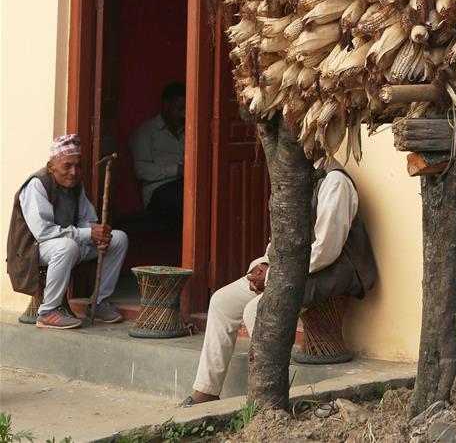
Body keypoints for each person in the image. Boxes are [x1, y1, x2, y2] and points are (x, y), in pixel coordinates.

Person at [180, 157, 377, 405]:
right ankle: (206, 390)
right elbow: (282, 237)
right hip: (290, 268)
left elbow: (327, 249)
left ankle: (266, 392)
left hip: (333, 271)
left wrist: (273, 274)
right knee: (222, 301)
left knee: (258, 310)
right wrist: (264, 265)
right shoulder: (294, 174)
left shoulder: (334, 180)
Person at [6, 134, 129, 329]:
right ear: (51, 167)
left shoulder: (76, 185)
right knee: (66, 246)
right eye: (67, 166)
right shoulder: (37, 185)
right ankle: (48, 312)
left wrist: (97, 232)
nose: (74, 172)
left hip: (67, 243)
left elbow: (86, 219)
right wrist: (87, 234)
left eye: (78, 166)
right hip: (32, 251)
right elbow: (44, 232)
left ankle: (98, 301)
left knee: (118, 239)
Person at [128, 83, 186, 223]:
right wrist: (177, 170)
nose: (183, 115)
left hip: (184, 186)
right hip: (159, 191)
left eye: (186, 110)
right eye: (180, 109)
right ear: (166, 105)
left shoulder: (187, 132)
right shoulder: (146, 132)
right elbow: (142, 170)